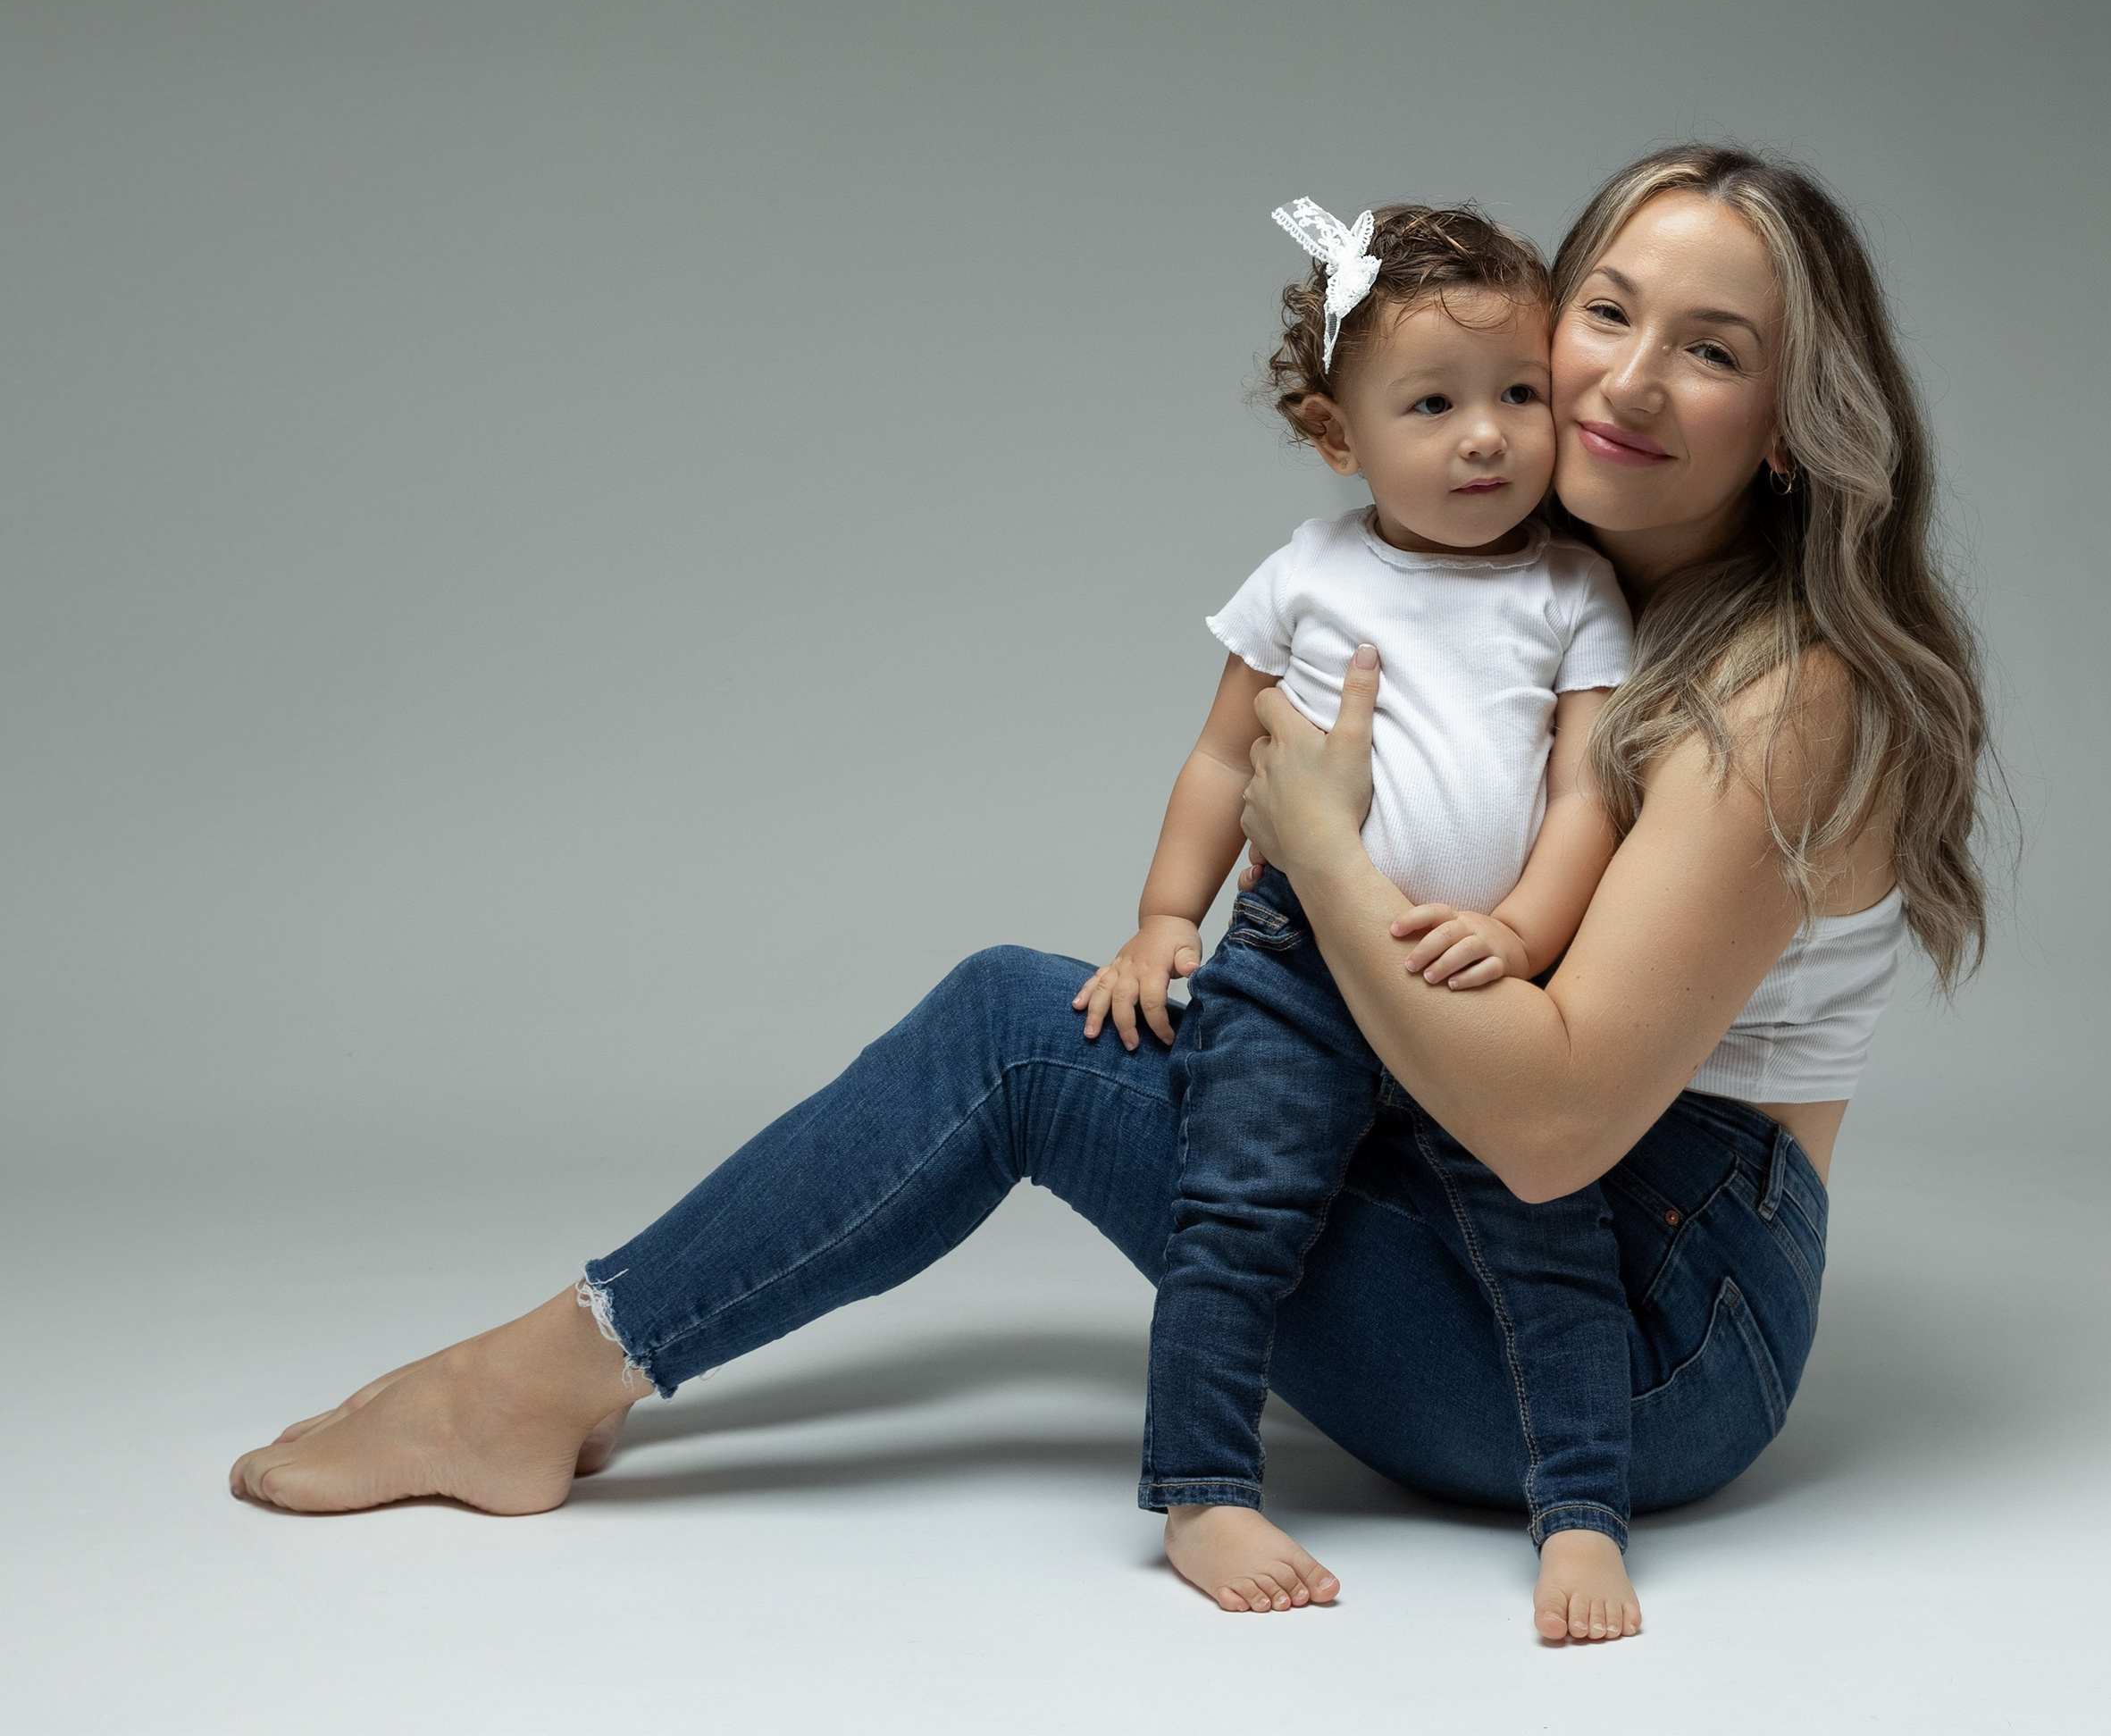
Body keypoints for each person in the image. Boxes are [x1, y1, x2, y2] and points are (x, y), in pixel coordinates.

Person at [229, 145, 1992, 1648]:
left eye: (1710, 350)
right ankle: (561, 1366)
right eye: (1603, 312)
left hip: (1647, 1312)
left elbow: (1547, 1128)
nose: (1622, 380)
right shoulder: (1551, 584)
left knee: (1018, 1031)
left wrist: (1307, 853)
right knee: (1092, 1019)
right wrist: (1214, 897)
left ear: (1785, 427)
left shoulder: (1783, 688)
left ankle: (532, 1387)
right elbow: (1267, 748)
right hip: (1493, 1155)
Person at [1077, 197, 1641, 1629]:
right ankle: (1204, 1491)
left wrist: (1520, 933)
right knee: (1238, 1211)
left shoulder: (1574, 591)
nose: (1485, 435)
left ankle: (1581, 1517)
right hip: (1298, 962)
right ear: (1340, 435)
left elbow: (1587, 798)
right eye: (1433, 402)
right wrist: (1162, 916)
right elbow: (1223, 755)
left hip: (1476, 969)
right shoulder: (1312, 571)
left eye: (1521, 393)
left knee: (1552, 1230)